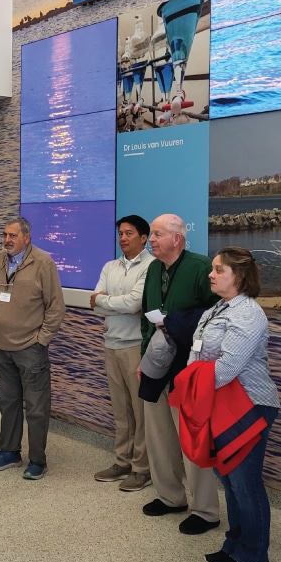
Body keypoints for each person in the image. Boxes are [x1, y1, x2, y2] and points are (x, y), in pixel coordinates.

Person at [189, 247, 280, 562]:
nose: (211, 275)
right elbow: (196, 354)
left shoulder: (248, 314)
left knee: (245, 482)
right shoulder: (217, 309)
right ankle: (235, 544)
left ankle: (255, 558)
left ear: (239, 276)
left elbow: (226, 369)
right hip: (221, 404)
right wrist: (193, 378)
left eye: (219, 270)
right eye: (212, 268)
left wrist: (192, 381)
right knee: (228, 480)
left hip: (250, 405)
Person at [137, 213, 221, 535]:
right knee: (157, 432)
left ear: (177, 238)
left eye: (157, 234)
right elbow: (146, 316)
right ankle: (170, 497)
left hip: (189, 365)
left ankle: (205, 510)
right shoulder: (154, 269)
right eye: (152, 235)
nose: (151, 240)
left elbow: (217, 314)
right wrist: (144, 358)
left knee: (191, 435)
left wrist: (179, 321)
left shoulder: (201, 268)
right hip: (156, 361)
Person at [0, 217, 65, 480]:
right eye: (5, 235)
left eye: (13, 236)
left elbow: (55, 307)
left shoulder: (42, 262)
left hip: (30, 347)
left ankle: (38, 459)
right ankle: (10, 450)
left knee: (37, 406)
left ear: (27, 238)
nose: (7, 239)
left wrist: (42, 340)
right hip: (0, 347)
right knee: (8, 402)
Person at [91, 214, 154, 492]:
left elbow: (135, 303)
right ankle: (122, 461)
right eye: (121, 233)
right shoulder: (109, 266)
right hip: (111, 343)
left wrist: (108, 302)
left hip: (136, 346)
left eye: (129, 233)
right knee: (120, 409)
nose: (123, 238)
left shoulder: (151, 266)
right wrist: (112, 303)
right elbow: (96, 303)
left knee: (140, 412)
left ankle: (142, 468)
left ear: (143, 237)